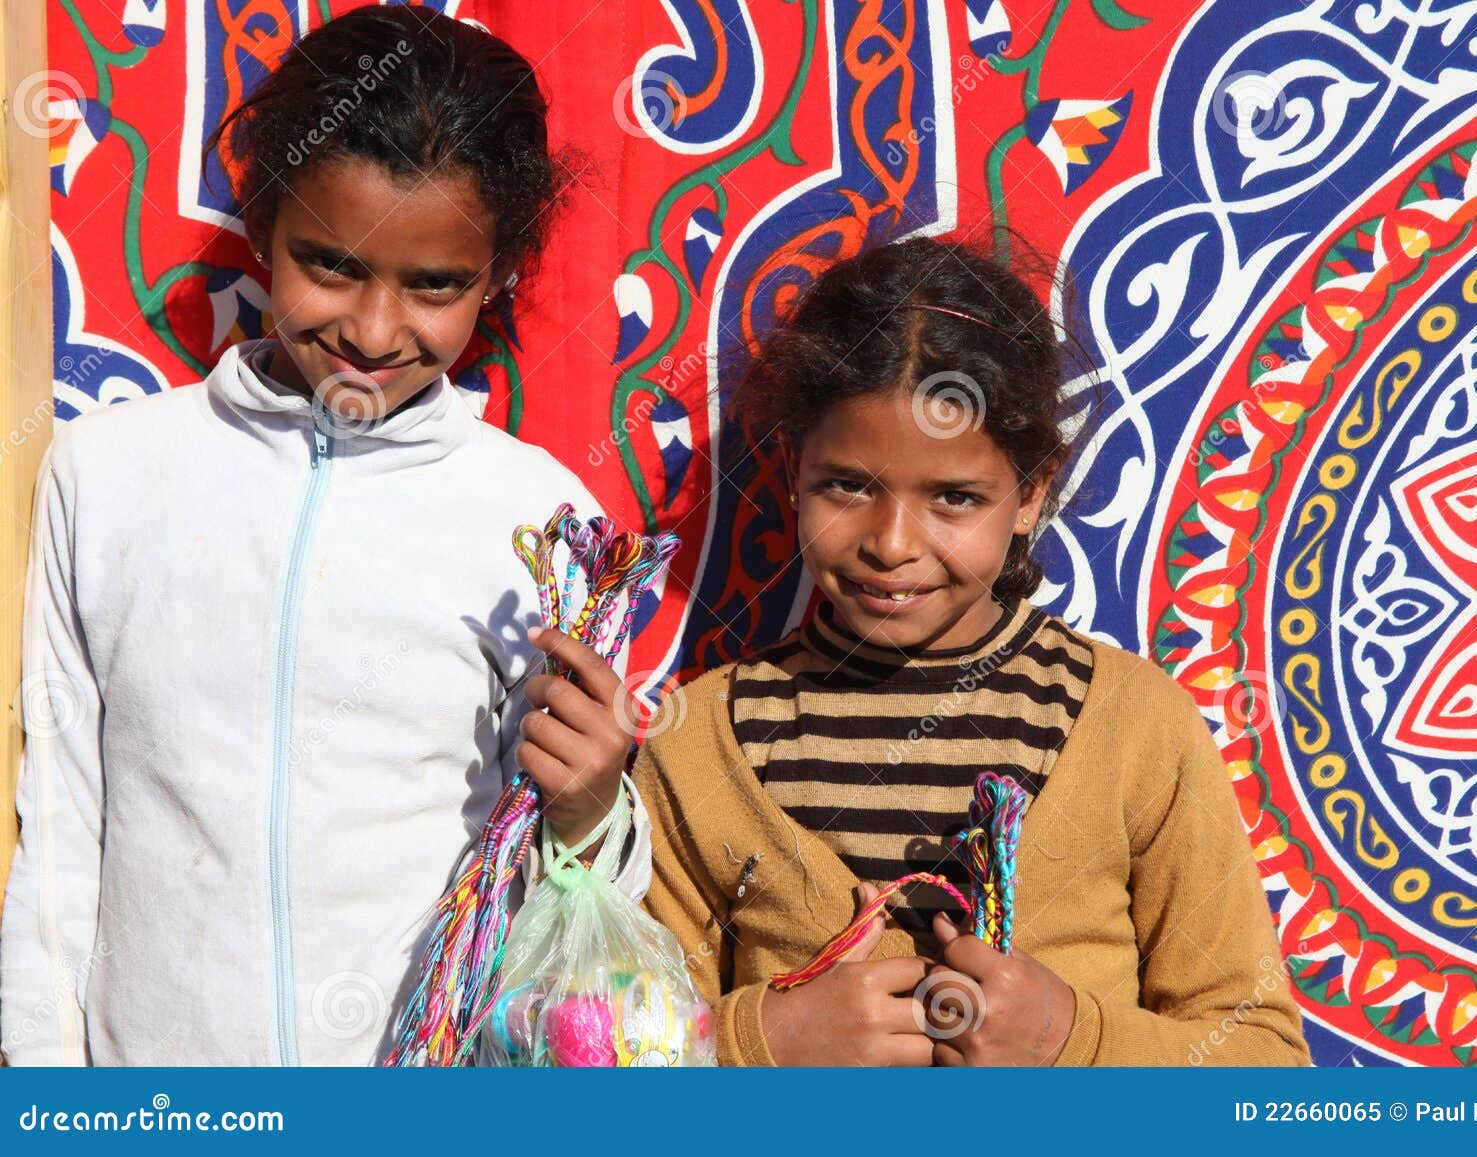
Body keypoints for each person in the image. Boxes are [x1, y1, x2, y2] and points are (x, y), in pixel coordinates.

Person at [0, 4, 649, 1066]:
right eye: (330, 264)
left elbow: (577, 893)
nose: (374, 330)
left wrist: (592, 809)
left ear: (501, 274)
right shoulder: (109, 475)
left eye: (435, 284)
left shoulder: (541, 522)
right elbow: (62, 825)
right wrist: (44, 1084)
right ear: (261, 225)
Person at [635, 237, 1311, 1066]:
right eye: (847, 484)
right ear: (790, 471)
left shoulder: (1137, 729)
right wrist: (760, 1043)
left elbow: (1265, 1062)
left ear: (1030, 492)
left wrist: (1071, 1041)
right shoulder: (700, 742)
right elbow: (621, 1047)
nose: (891, 543)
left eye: (954, 497)